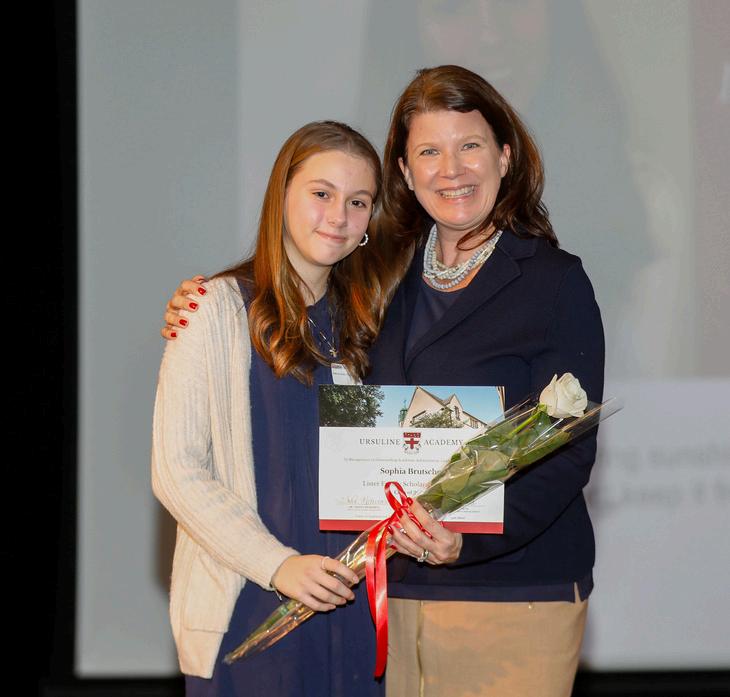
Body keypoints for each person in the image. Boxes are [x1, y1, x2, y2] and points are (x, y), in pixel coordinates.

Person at [161, 65, 605, 697]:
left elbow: (566, 451)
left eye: (470, 145)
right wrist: (202, 302)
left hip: (509, 594)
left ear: (505, 156)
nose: (451, 170)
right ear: (405, 172)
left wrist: (466, 543)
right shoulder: (380, 281)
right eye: (429, 152)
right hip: (382, 599)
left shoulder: (553, 281)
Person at [151, 120, 388, 696]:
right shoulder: (213, 309)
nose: (338, 216)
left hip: (353, 613)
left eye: (358, 202)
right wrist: (277, 564)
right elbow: (177, 470)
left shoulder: (368, 329)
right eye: (321, 193)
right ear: (281, 196)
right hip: (248, 605)